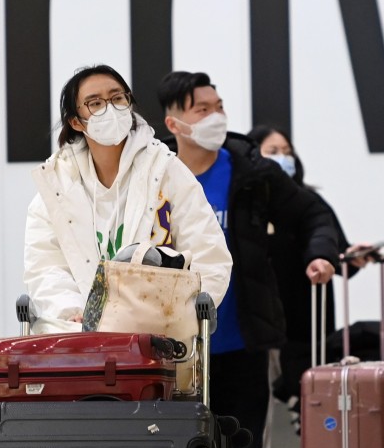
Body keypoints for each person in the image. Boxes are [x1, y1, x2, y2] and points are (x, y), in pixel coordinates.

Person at [157, 71, 341, 448]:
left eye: (219, 107)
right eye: (201, 109)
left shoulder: (252, 174)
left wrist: (320, 253)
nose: (215, 117)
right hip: (174, 354)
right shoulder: (153, 176)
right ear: (174, 124)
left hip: (242, 346)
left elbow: (313, 213)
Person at [23, 64, 232, 336]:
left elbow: (209, 255)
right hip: (82, 340)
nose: (110, 108)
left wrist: (175, 317)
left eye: (117, 98)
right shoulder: (56, 185)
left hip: (159, 340)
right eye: (95, 103)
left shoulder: (166, 169)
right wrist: (73, 313)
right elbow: (45, 267)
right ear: (76, 121)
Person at [246, 125, 374, 434]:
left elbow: (336, 251)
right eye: (273, 152)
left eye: (287, 152)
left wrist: (350, 255)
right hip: (259, 324)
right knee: (253, 418)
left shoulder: (308, 203)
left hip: (305, 326)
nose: (283, 158)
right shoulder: (247, 205)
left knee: (316, 418)